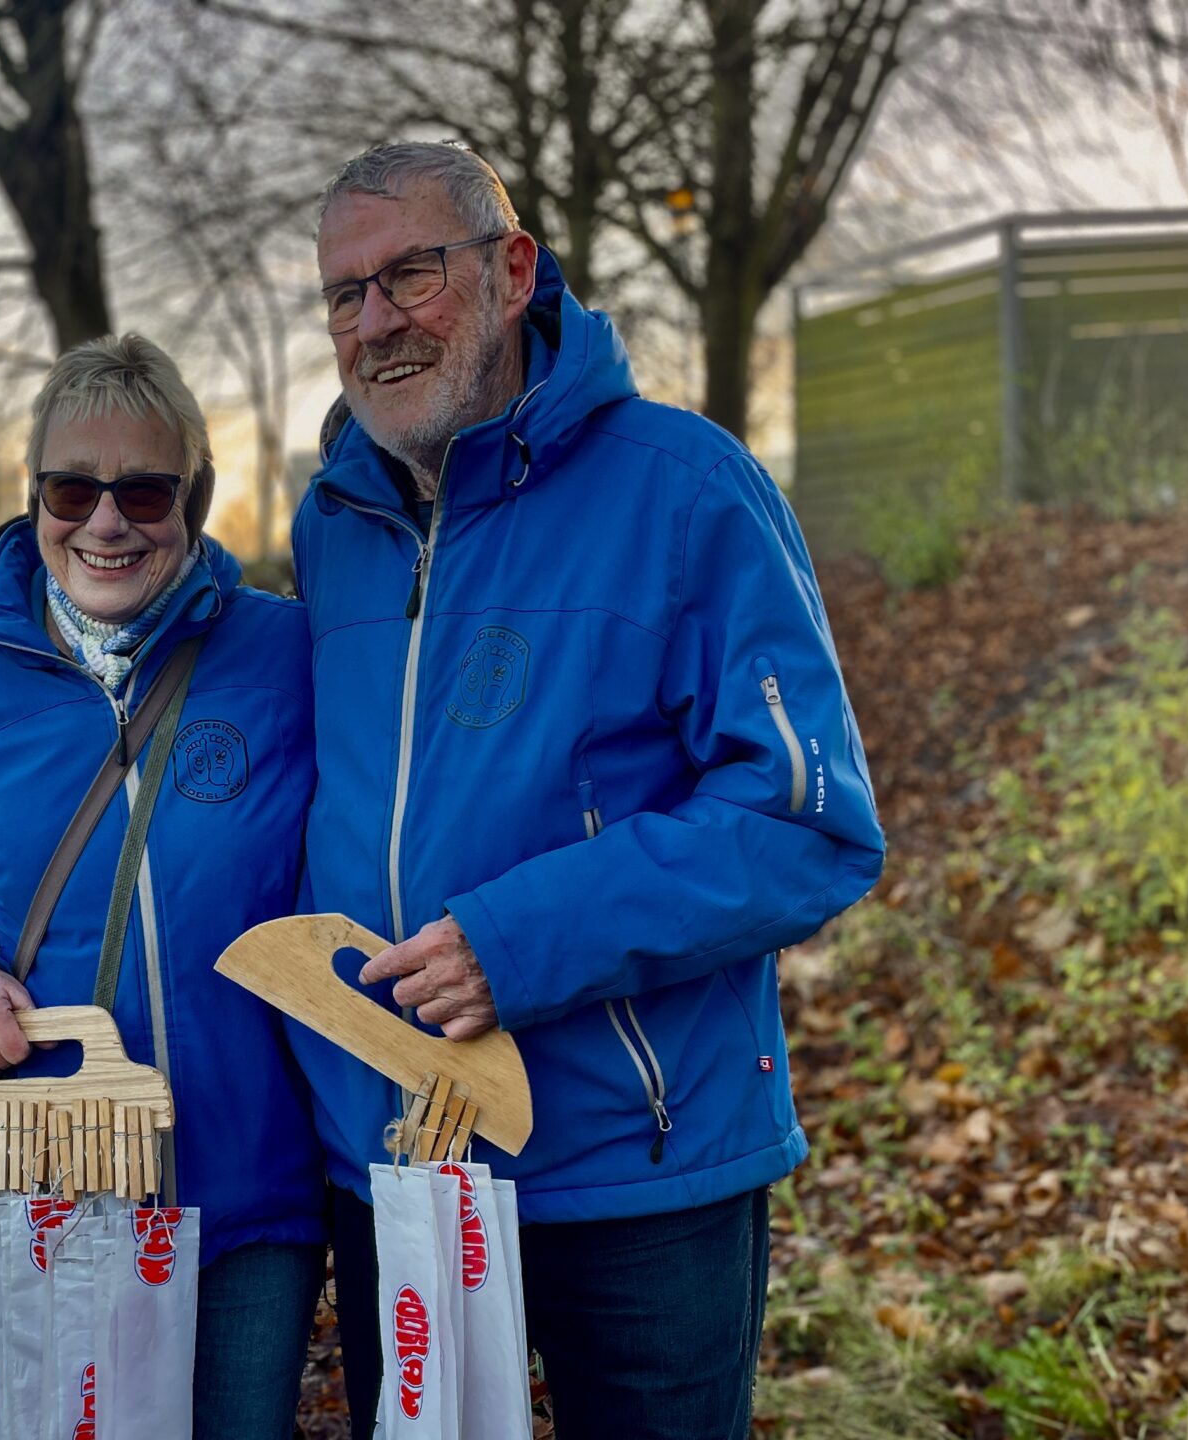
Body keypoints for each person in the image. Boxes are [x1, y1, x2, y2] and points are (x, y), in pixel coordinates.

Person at [287, 141, 886, 1438]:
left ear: (512, 271)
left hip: (632, 1167)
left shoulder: (686, 489)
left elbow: (805, 821)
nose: (375, 321)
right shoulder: (330, 524)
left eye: (410, 276)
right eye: (346, 294)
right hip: (396, 1166)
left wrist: (518, 942)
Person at [0, 333, 327, 1440]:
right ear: (33, 501)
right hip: (37, 1184)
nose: (105, 521)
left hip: (246, 1195)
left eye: (144, 489)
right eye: (72, 488)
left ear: (195, 498)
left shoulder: (287, 656)